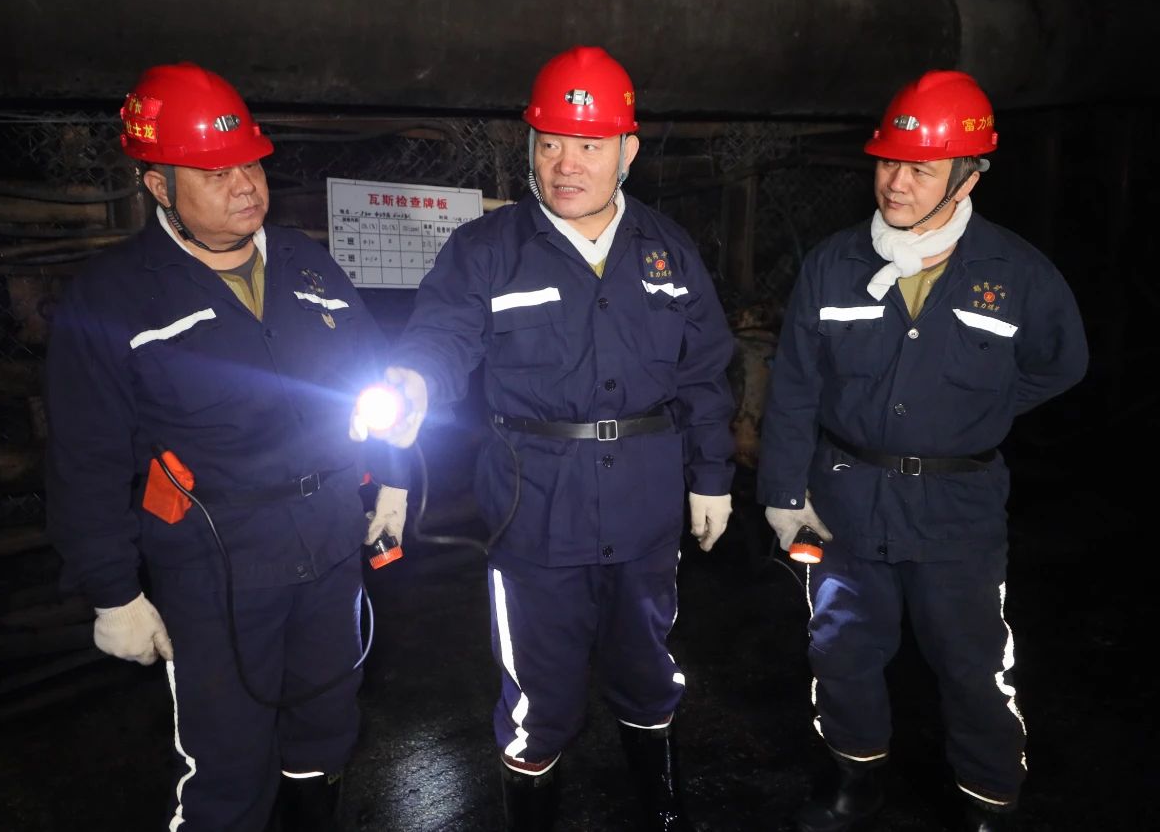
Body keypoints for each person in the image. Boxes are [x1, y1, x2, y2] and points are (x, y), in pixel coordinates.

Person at [350, 46, 736, 831]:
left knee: (648, 667)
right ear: (530, 145)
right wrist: (414, 382)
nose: (566, 164)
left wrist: (713, 476)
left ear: (627, 150)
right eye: (551, 142)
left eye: (589, 145)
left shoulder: (669, 250)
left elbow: (704, 371)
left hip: (645, 506)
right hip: (535, 509)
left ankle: (663, 810)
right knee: (539, 693)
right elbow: (441, 337)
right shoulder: (487, 251)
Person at [44, 61, 408, 832]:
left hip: (329, 545)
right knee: (229, 768)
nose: (243, 184)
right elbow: (85, 458)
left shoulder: (306, 263)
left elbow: (376, 381)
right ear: (159, 185)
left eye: (250, 163)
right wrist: (114, 592)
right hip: (216, 569)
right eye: (214, 173)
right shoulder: (113, 298)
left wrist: (395, 477)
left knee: (326, 733)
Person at [756, 70, 1088, 832]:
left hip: (957, 510)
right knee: (841, 649)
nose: (896, 183)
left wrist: (976, 412)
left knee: (973, 663)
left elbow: (1061, 363)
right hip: (845, 499)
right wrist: (783, 492)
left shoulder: (1017, 275)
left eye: (921, 169)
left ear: (967, 178)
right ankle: (855, 777)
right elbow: (796, 385)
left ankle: (987, 798)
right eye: (887, 163)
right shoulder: (833, 265)